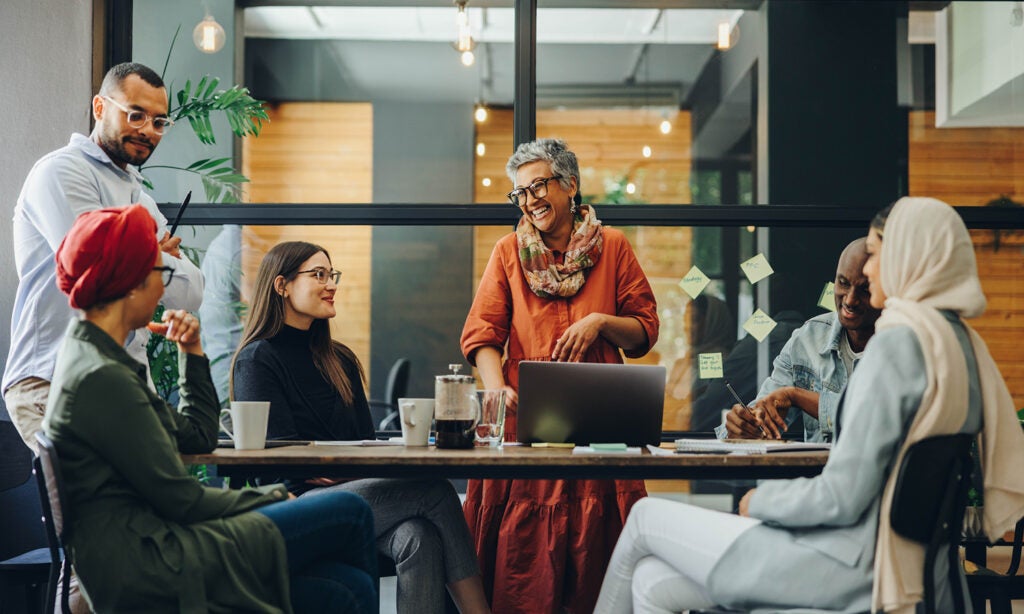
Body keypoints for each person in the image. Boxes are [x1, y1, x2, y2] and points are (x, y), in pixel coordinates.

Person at [594, 196, 1024, 613]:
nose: (870, 271)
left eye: (875, 256)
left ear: (910, 257)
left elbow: (842, 496)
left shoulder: (896, 345)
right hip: (907, 565)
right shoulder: (957, 345)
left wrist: (757, 504)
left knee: (646, 516)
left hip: (848, 562)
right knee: (652, 582)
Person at [44, 206, 378, 613]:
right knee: (351, 509)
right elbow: (183, 501)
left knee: (346, 587)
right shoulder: (102, 378)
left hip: (156, 545)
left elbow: (198, 436)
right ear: (129, 282)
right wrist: (279, 495)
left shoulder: (98, 361)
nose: (162, 290)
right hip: (155, 561)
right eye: (160, 274)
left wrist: (191, 352)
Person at [231, 241, 490, 614]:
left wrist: (337, 468)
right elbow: (281, 460)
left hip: (349, 491)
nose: (330, 284)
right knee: (435, 492)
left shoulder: (340, 360)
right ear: (282, 285)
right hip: (295, 504)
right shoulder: (257, 359)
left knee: (420, 536)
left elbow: (364, 443)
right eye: (318, 275)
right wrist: (334, 467)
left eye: (331, 274)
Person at [460, 138, 659, 613]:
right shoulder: (509, 251)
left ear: (570, 185)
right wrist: (496, 388)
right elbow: (481, 336)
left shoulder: (612, 247)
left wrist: (601, 323)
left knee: (600, 563)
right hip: (526, 426)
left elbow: (644, 332)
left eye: (538, 187)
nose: (530, 201)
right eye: (520, 194)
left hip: (602, 427)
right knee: (523, 571)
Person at [5, 61, 204, 456]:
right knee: (103, 513)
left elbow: (191, 293)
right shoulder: (61, 172)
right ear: (100, 108)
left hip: (124, 385)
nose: (148, 129)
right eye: (136, 114)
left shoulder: (140, 197)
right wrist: (155, 255)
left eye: (160, 121)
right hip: (55, 378)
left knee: (145, 509)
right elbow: (97, 269)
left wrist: (143, 257)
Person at [718, 237, 881, 442]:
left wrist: (796, 396)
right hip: (812, 473)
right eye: (843, 283)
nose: (850, 300)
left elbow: (873, 419)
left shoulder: (900, 346)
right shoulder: (807, 339)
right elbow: (764, 409)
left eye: (864, 289)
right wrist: (745, 425)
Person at [663, 294, 735, 430]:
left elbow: (707, 402)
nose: (687, 327)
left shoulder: (722, 362)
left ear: (713, 321)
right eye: (685, 320)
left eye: (694, 319)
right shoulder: (682, 363)